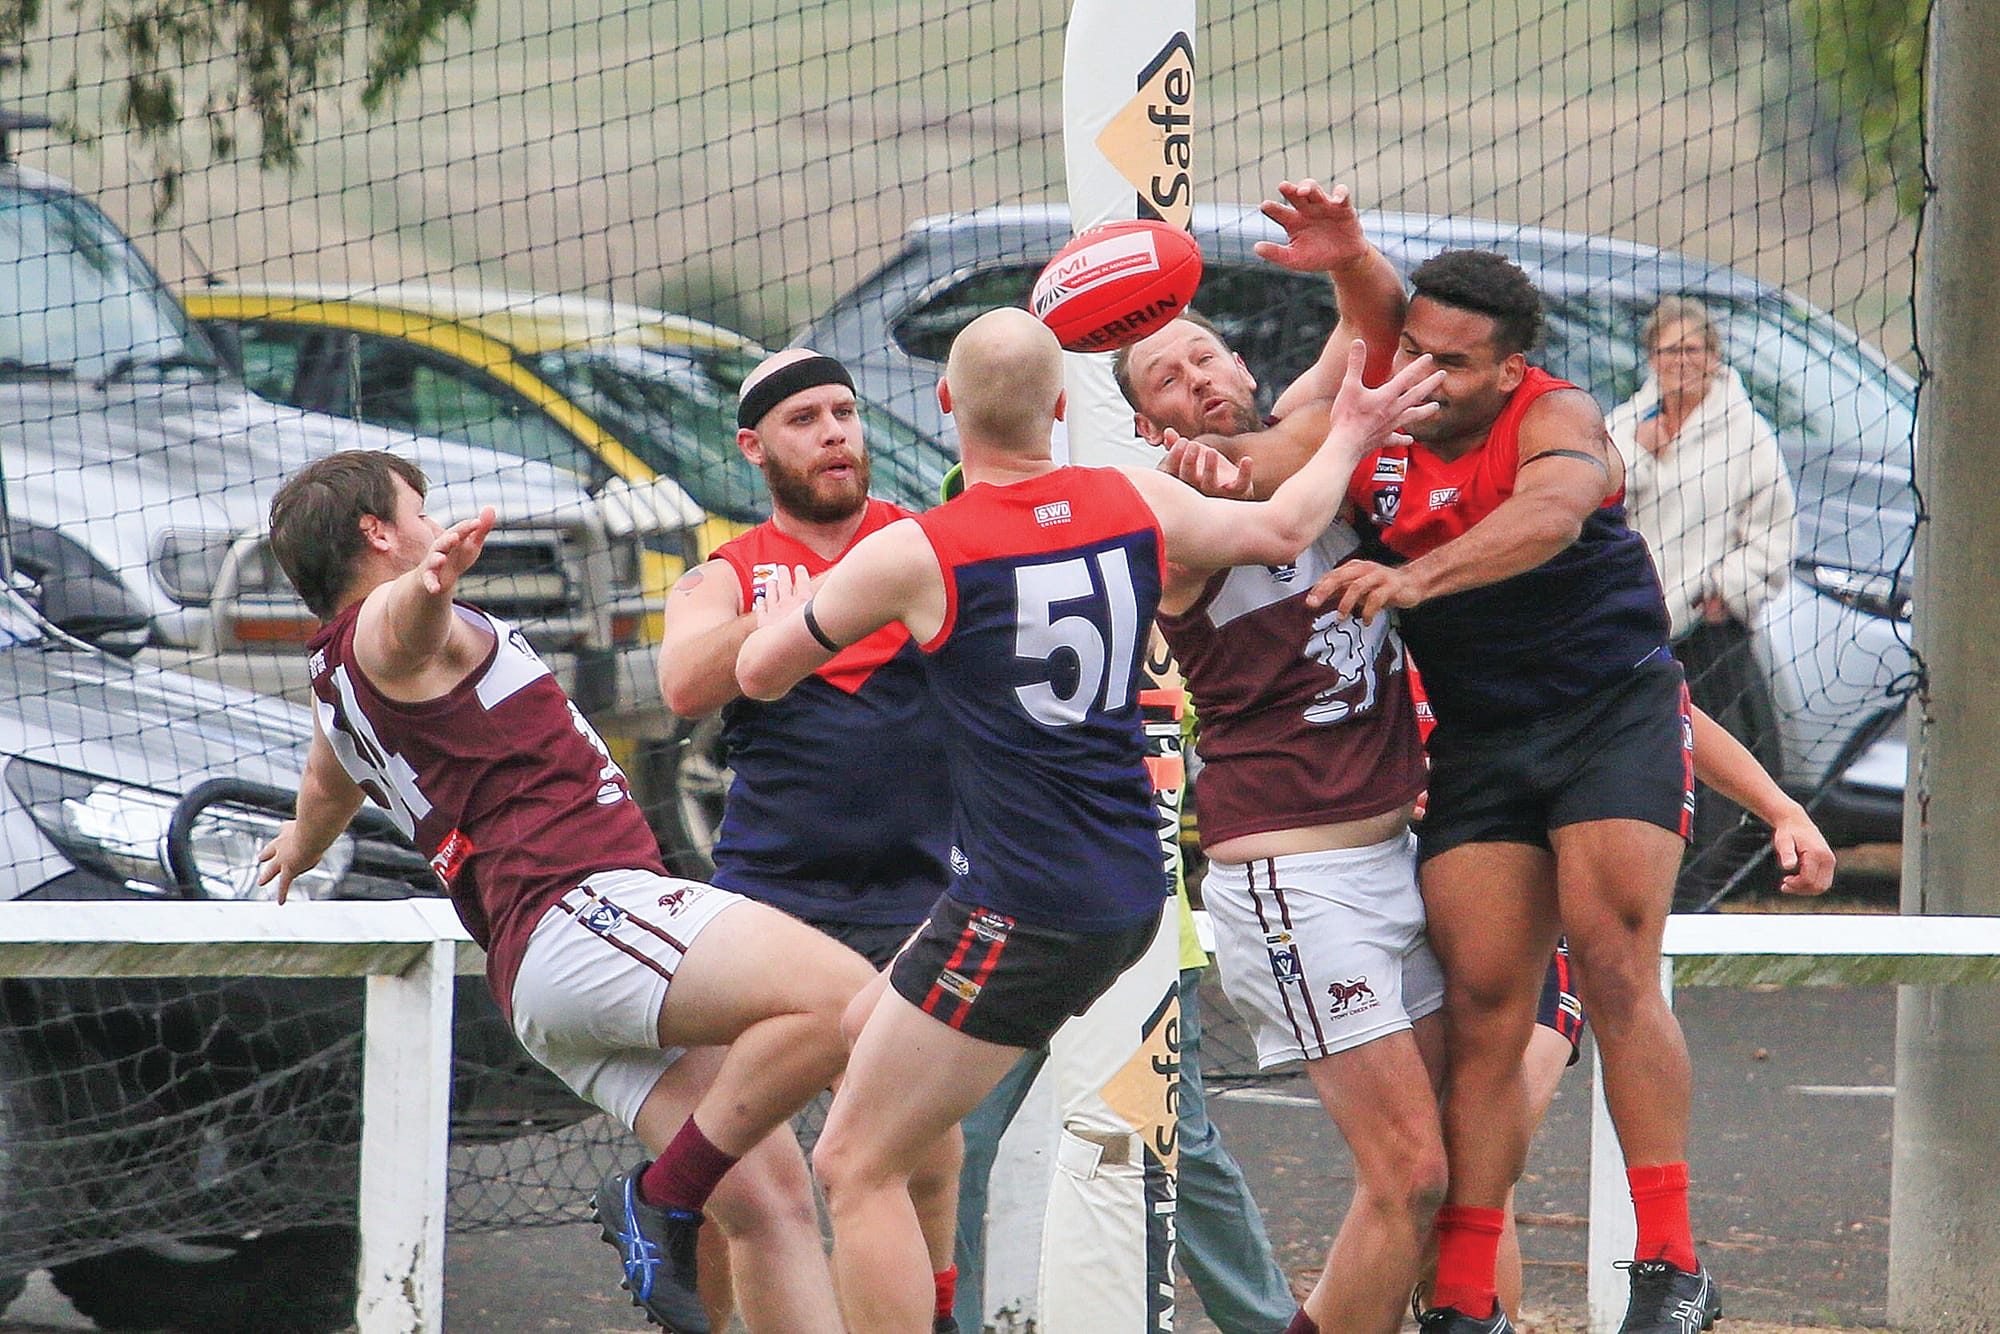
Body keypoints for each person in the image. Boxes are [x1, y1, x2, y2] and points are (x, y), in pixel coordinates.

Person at [734, 306, 1446, 1334]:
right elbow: (1286, 526)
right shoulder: (1131, 500)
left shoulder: (920, 549)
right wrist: (1351, 426)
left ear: (943, 406)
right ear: (1062, 408)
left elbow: (759, 673)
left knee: (851, 1161)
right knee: (867, 1033)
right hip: (1129, 888)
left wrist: (784, 608)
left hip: (1020, 903)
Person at [1310, 248, 1835, 1334]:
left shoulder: (1558, 417)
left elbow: (1550, 515)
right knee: (1486, 1005)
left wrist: (1413, 575)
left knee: (1607, 962)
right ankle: (1461, 1292)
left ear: (1509, 372)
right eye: (1415, 351)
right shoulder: (1381, 427)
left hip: (1607, 719)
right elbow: (1334, 376)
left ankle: (1669, 1263)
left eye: (1455, 362)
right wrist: (1347, 260)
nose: (1427, 375)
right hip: (1481, 743)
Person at [254, 450, 878, 1334]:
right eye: (419, 512)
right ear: (378, 533)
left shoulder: (334, 685)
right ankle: (660, 1195)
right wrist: (428, 586)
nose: (435, 525)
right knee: (847, 1004)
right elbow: (398, 627)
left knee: (770, 1200)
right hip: (581, 912)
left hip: (549, 969)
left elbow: (327, 787)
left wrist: (296, 845)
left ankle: (677, 1195)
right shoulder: (388, 632)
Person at [1114, 178, 1585, 1334]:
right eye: (1168, 379)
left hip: (1392, 853)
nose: (1203, 381)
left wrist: (1346, 255)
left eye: (1209, 356)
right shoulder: (1170, 509)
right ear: (1147, 425)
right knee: (1409, 1173)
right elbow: (1284, 515)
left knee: (1461, 1170)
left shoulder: (1297, 441)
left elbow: (1365, 344)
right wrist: (1345, 428)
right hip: (1293, 878)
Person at [654, 346, 966, 1333]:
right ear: (752, 446)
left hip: (915, 895)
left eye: (844, 410)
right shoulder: (728, 571)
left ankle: (939, 1314)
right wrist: (773, 618)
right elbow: (681, 685)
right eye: (803, 419)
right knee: (735, 1182)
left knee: (922, 1153)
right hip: (769, 903)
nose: (833, 431)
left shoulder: (921, 544)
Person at [1605, 297, 1796, 901]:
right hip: (1630, 624)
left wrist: (1727, 590)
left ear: (1713, 358)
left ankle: (1707, 883)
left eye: (1693, 349)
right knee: (1636, 753)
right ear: (1650, 358)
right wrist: (1640, 452)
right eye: (1669, 350)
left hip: (1708, 626)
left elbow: (1771, 532)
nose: (1681, 361)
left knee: (1717, 760)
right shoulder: (1623, 423)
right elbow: (1596, 507)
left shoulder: (1746, 434)